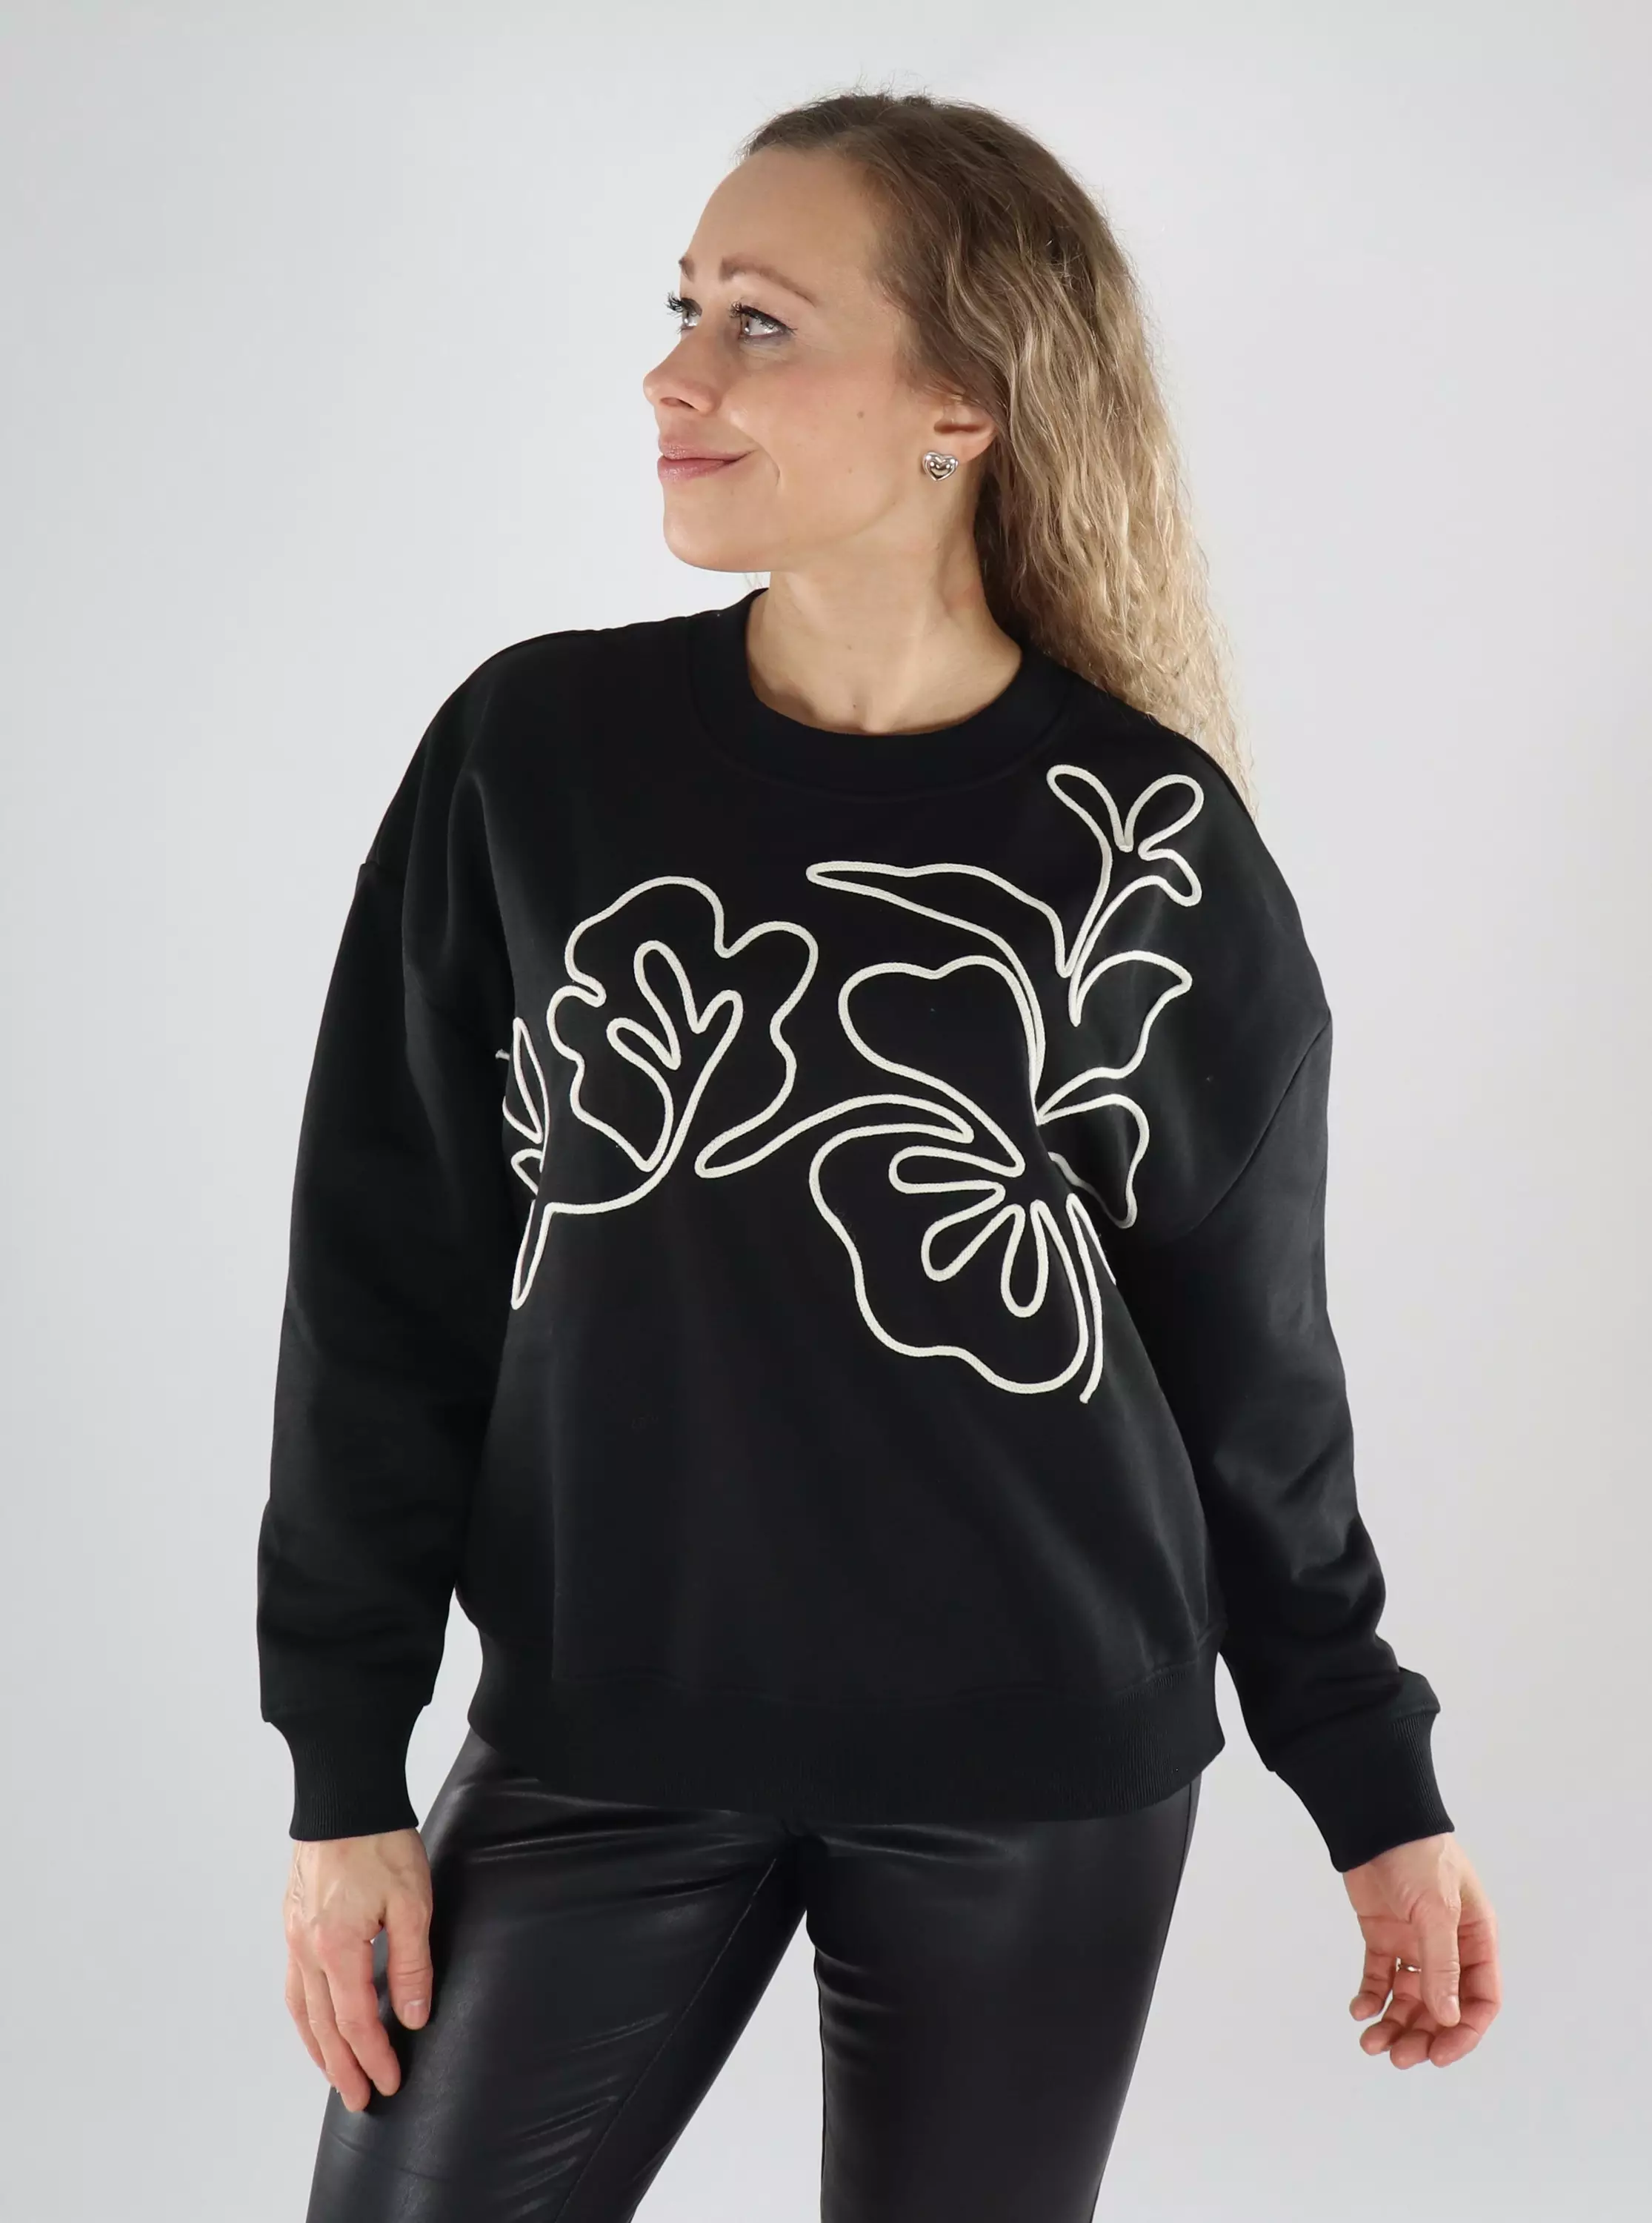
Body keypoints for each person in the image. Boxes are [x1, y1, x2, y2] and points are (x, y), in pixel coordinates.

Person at [257, 87, 1502, 2223]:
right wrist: (344, 1774)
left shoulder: (1149, 836)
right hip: (602, 1735)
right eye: (681, 308)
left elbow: (1252, 1374)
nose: (673, 374)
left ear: (962, 402)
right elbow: (385, 1278)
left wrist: (1373, 1785)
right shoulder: (534, 754)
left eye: (758, 321)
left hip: (1037, 1750)